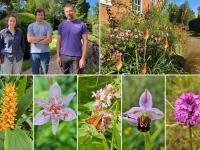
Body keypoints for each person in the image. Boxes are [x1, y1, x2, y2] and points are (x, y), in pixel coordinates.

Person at [56, 4, 88, 74]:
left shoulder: (82, 24)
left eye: (70, 11)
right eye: (67, 11)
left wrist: (83, 58)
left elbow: (85, 41)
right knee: (65, 77)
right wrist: (58, 56)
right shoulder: (61, 25)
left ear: (74, 11)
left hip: (77, 57)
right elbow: (58, 41)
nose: (69, 13)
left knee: (76, 77)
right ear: (64, 13)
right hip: (64, 56)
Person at [27, 8, 52, 74]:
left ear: (44, 16)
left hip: (45, 53)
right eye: (39, 15)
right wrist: (43, 37)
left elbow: (49, 40)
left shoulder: (48, 25)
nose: (40, 16)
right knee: (35, 73)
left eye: (42, 15)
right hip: (34, 53)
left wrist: (35, 40)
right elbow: (29, 39)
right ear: (36, 16)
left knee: (44, 73)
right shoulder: (31, 26)